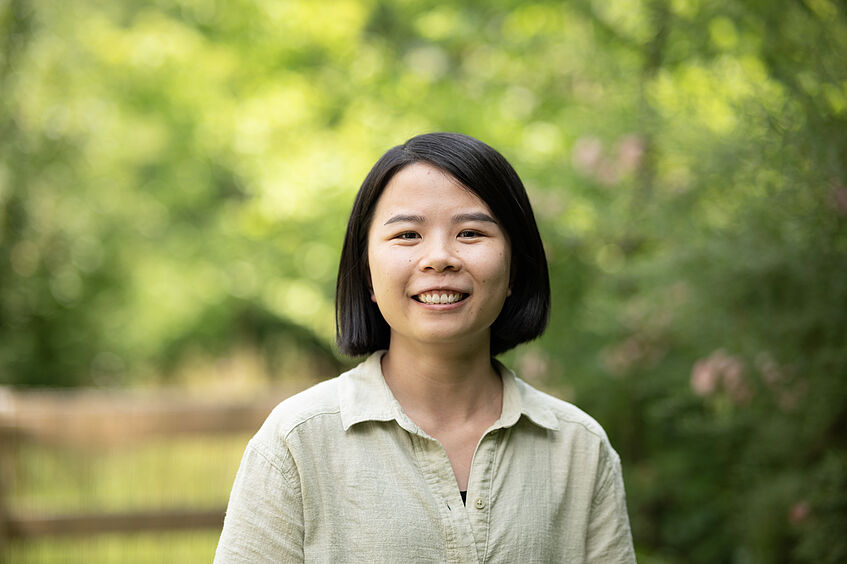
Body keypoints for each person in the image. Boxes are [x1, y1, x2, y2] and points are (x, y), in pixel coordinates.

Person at [215, 132, 636, 563]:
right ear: (366, 274)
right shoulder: (298, 441)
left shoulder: (579, 448)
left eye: (471, 233)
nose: (439, 257)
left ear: (514, 269)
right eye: (408, 235)